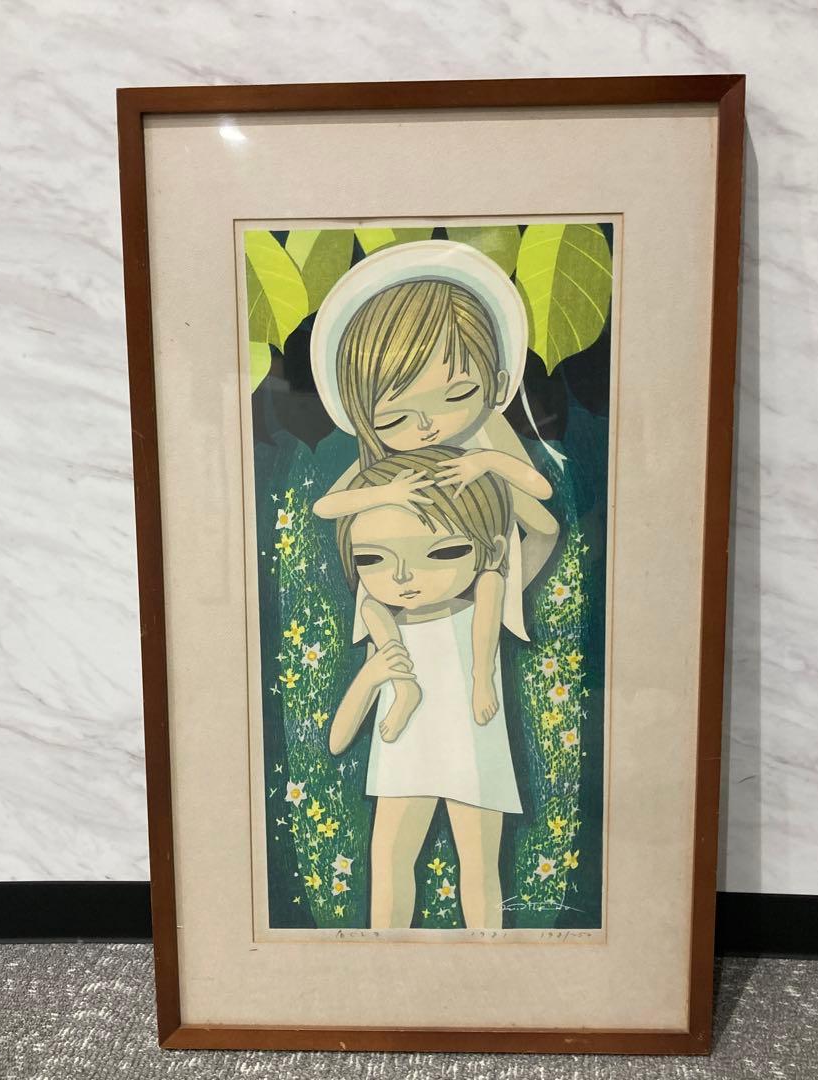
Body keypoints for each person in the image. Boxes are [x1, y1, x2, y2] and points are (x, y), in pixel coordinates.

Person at [310, 241, 560, 740]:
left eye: (457, 394)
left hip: (469, 595)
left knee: (489, 580)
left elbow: (545, 519)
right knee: (373, 599)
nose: (427, 428)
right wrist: (386, 496)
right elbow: (327, 506)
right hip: (404, 611)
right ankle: (405, 687)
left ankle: (480, 668)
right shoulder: (385, 468)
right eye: (394, 418)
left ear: (497, 384)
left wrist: (487, 467)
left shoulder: (483, 443)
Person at [328, 446, 521, 930]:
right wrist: (376, 675)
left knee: (479, 867)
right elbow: (337, 740)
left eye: (443, 552)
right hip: (405, 745)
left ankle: (490, 962)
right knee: (390, 862)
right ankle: (384, 961)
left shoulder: (488, 592)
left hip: (473, 738)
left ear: (492, 550)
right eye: (371, 558)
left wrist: (490, 460)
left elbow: (540, 531)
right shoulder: (381, 622)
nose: (403, 577)